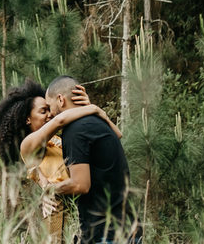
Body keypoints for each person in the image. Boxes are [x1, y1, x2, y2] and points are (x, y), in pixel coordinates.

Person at [0, 79, 122, 243]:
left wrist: (101, 115)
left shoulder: (58, 140)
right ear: (28, 119)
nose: (50, 114)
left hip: (80, 209)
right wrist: (92, 108)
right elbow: (60, 120)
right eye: (43, 111)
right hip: (56, 210)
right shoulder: (28, 145)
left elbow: (116, 136)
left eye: (49, 109)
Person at [44, 75, 138, 244]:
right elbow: (118, 135)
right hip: (128, 228)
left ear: (60, 100)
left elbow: (80, 184)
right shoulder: (97, 122)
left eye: (49, 107)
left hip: (106, 234)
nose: (50, 114)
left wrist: (49, 189)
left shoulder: (74, 131)